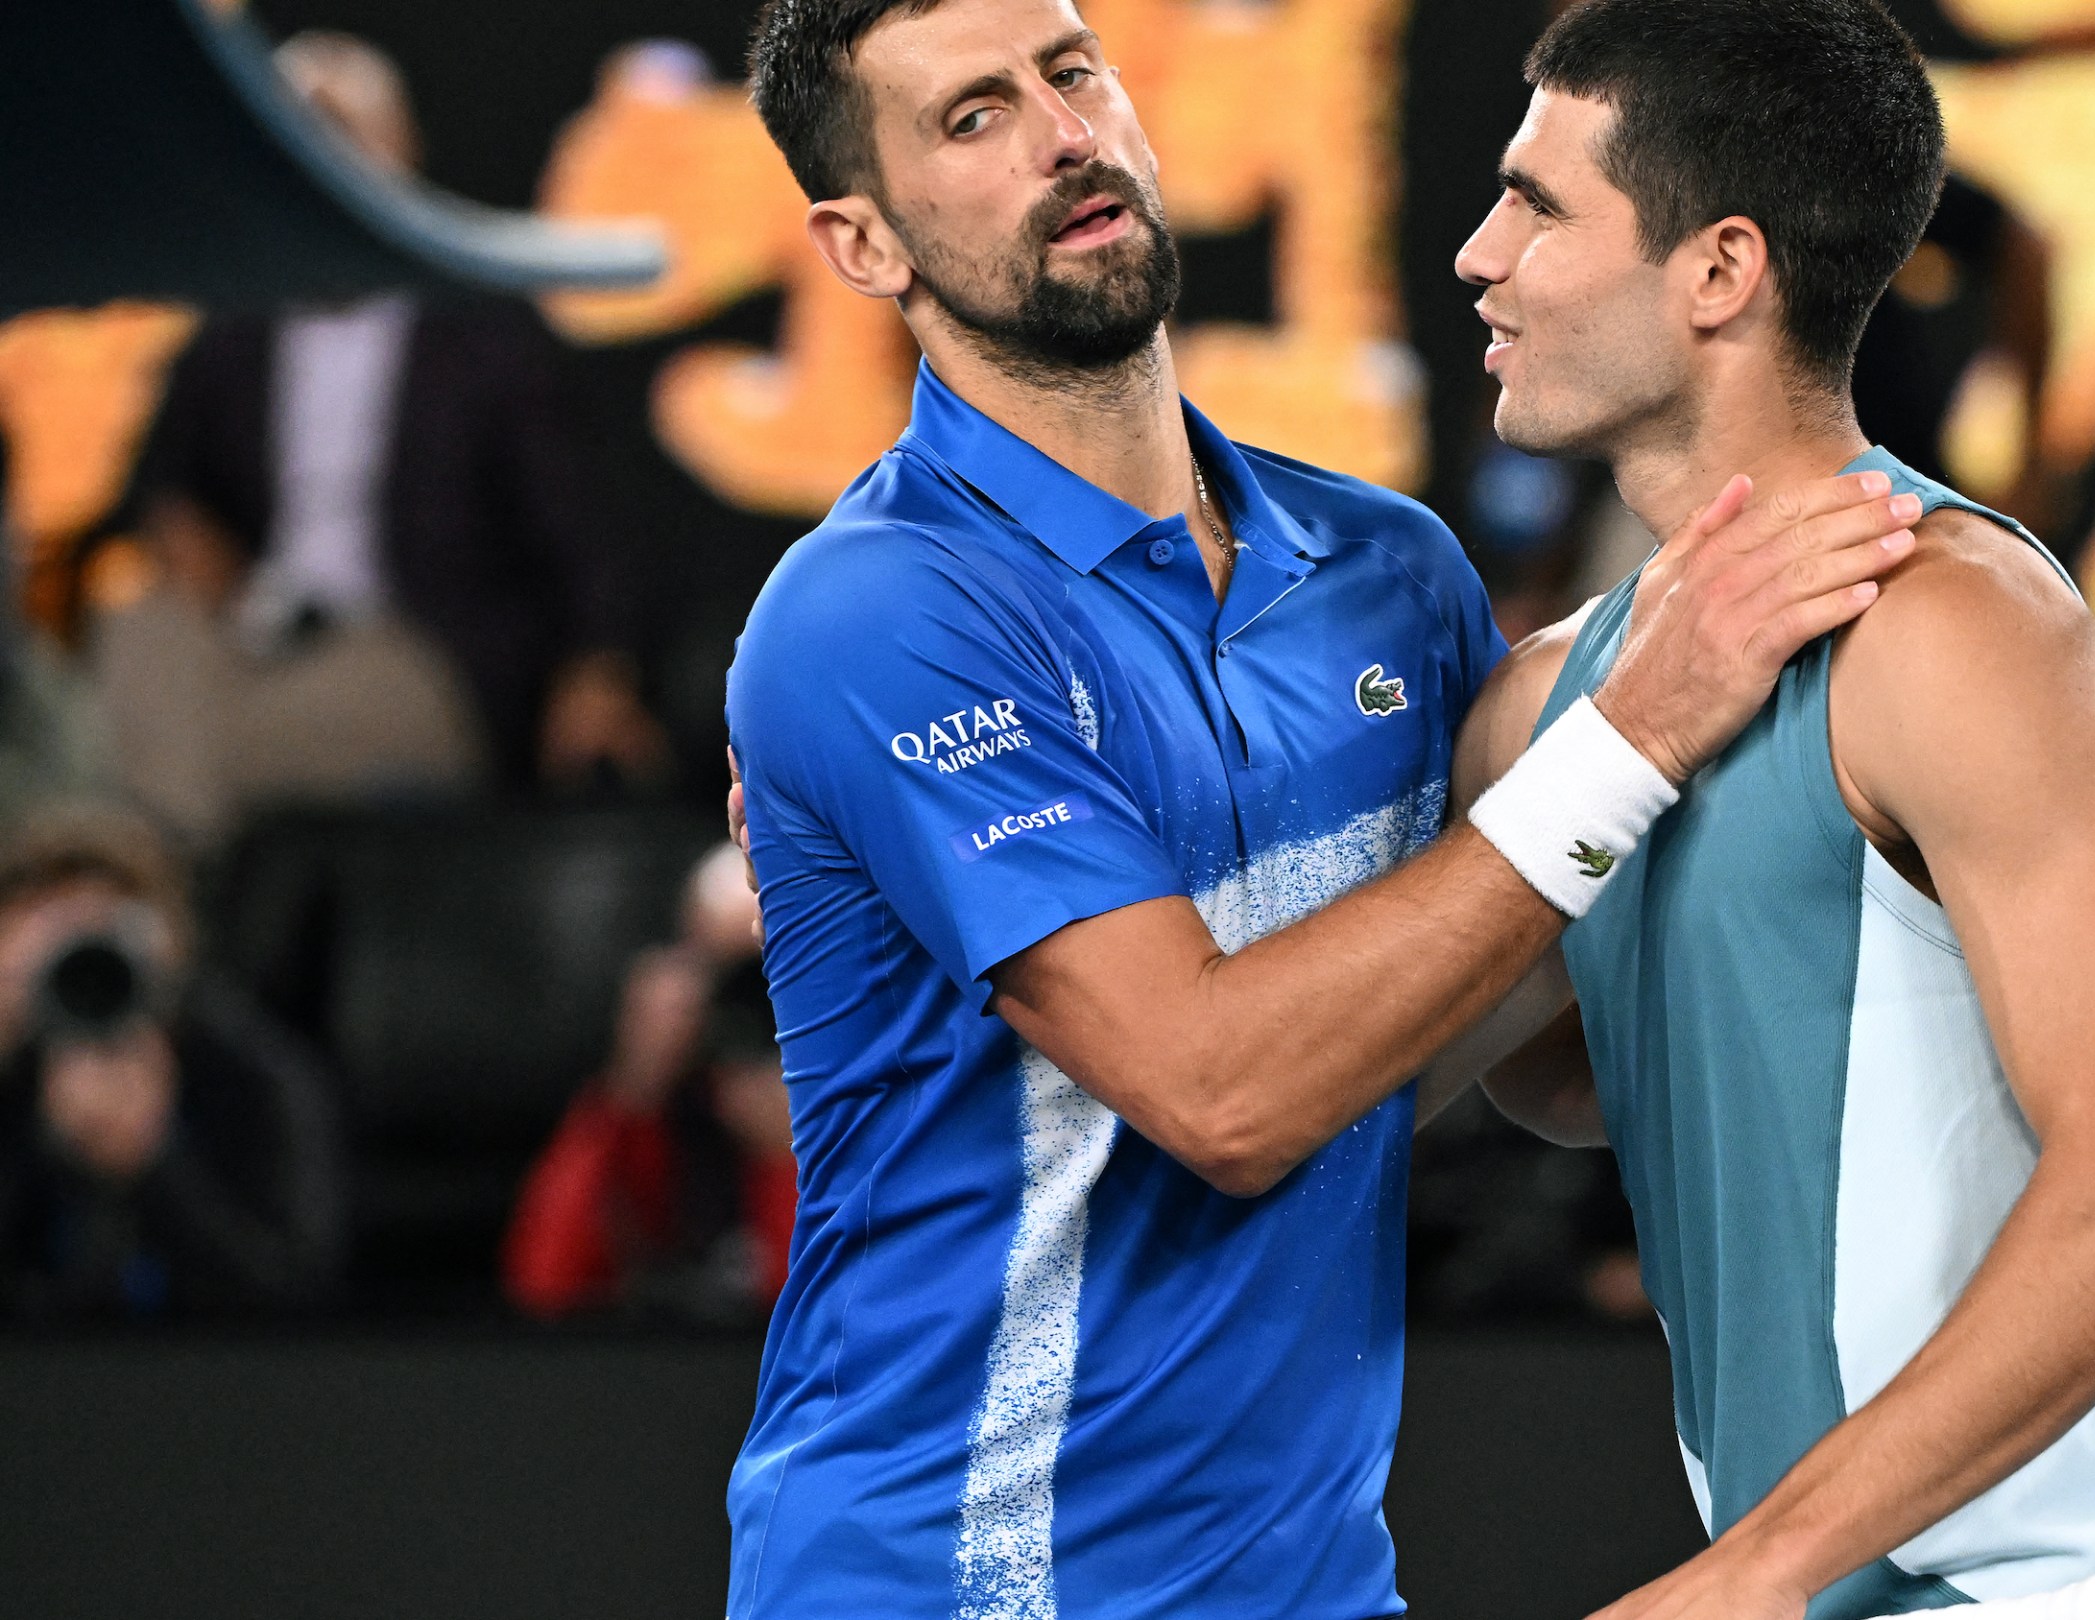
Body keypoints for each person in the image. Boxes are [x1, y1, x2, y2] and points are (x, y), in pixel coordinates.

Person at [720, 1, 1918, 1614]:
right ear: (860, 244)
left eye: (1074, 73)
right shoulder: (872, 617)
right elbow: (1225, 1096)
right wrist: (1631, 730)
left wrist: (1900, 939)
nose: (1065, 135)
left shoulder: (1390, 577)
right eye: (972, 119)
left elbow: (1502, 1041)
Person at [1449, 3, 2095, 1615]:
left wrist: (1744, 1576)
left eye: (1539, 205)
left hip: (2070, 1590)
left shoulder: (1956, 624)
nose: (1481, 255)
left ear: (1720, 271)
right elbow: (1577, 1080)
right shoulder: (1549, 707)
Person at [101, 30, 663, 848]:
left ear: (400, 155)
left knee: (148, 756)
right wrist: (180, 531)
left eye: (342, 134)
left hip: (416, 651)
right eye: (296, 136)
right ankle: (148, 876)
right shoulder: (228, 342)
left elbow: (582, 534)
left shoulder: (483, 345)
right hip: (255, 641)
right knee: (143, 628)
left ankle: (135, 874)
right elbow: (153, 496)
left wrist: (599, 670)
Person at [0, 814, 345, 1318]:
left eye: (105, 943)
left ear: (171, 948)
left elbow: (296, 1302)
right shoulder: (14, 1072)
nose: (87, 979)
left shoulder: (256, 1078)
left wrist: (149, 1165)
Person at [503, 842, 794, 1323]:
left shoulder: (882, 1089)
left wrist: (793, 1155)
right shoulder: (652, 1115)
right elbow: (542, 1287)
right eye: (733, 976)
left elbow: (834, 1331)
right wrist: (629, 1091)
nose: (756, 1003)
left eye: (774, 975)